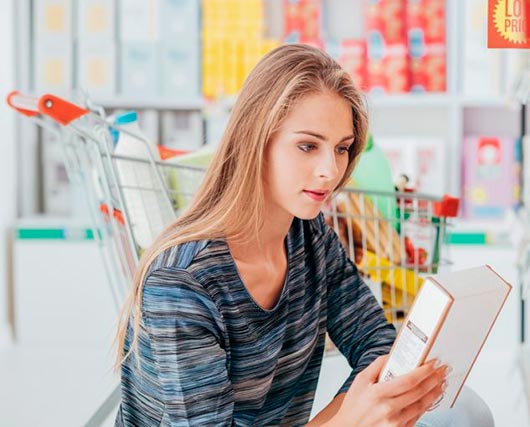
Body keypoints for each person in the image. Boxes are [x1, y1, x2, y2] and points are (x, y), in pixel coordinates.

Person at [114, 44, 490, 427]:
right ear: (255, 141)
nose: (330, 170)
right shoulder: (182, 283)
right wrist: (349, 422)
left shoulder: (308, 237)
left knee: (465, 413)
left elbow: (376, 342)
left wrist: (361, 413)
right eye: (307, 146)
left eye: (341, 148)